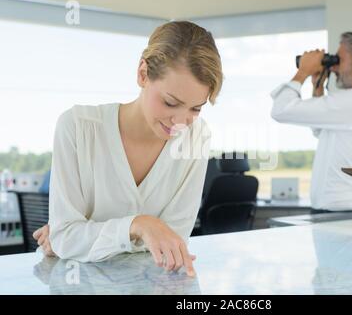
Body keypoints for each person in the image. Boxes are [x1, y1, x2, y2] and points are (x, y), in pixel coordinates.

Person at [32, 21, 223, 277]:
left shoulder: (196, 137)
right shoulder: (78, 127)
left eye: (196, 108)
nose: (180, 122)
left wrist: (82, 238)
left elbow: (174, 241)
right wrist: (140, 225)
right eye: (170, 102)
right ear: (143, 74)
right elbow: (66, 237)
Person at [271, 30, 352, 212]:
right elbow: (322, 132)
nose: (334, 68)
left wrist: (303, 72)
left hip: (341, 212)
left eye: (339, 60)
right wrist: (318, 89)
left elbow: (280, 110)